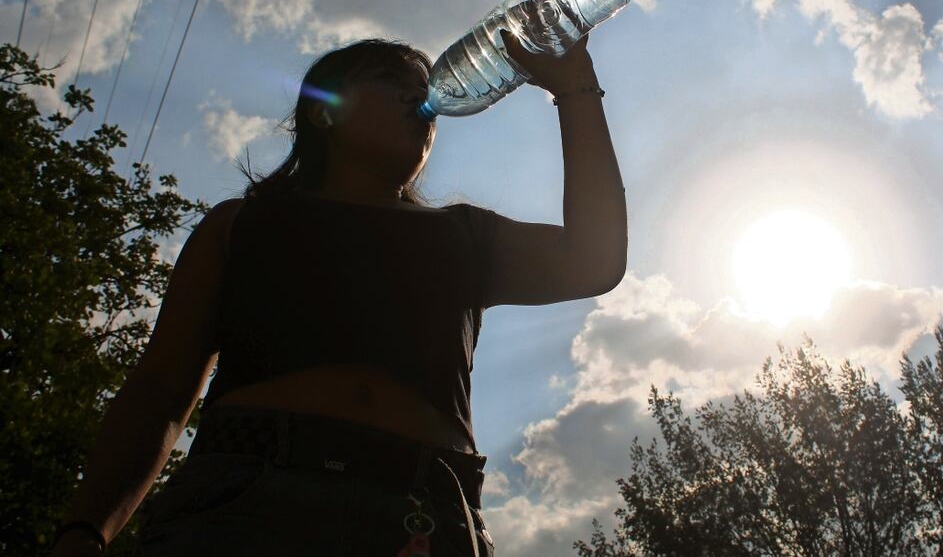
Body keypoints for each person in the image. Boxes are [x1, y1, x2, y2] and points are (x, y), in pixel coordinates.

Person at [48, 29, 628, 557]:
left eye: (423, 89)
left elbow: (593, 261)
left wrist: (575, 88)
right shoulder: (241, 225)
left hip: (425, 511)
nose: (420, 101)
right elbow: (160, 391)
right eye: (392, 82)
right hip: (244, 500)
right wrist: (86, 529)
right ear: (324, 113)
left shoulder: (464, 235)